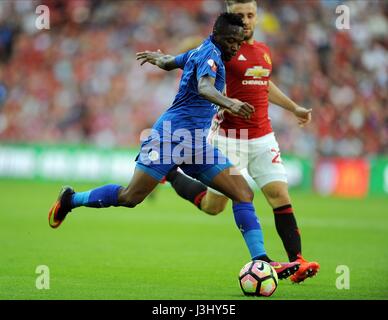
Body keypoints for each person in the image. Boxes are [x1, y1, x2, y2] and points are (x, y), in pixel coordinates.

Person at [48, 13, 299, 279]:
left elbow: (171, 62)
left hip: (197, 144)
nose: (235, 48)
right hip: (170, 137)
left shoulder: (200, 50)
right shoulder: (210, 55)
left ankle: (262, 260)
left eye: (239, 42)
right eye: (230, 41)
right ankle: (71, 200)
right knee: (130, 197)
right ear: (217, 35)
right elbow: (204, 87)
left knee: (243, 192)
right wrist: (231, 103)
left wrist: (158, 58)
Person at [164, 0, 319, 283]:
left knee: (279, 196)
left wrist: (294, 107)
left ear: (257, 17)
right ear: (228, 17)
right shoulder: (222, 51)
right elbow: (199, 73)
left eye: (251, 15)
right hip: (230, 138)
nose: (246, 21)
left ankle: (297, 262)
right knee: (214, 206)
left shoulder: (263, 52)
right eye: (240, 15)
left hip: (263, 137)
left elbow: (264, 84)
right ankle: (172, 174)